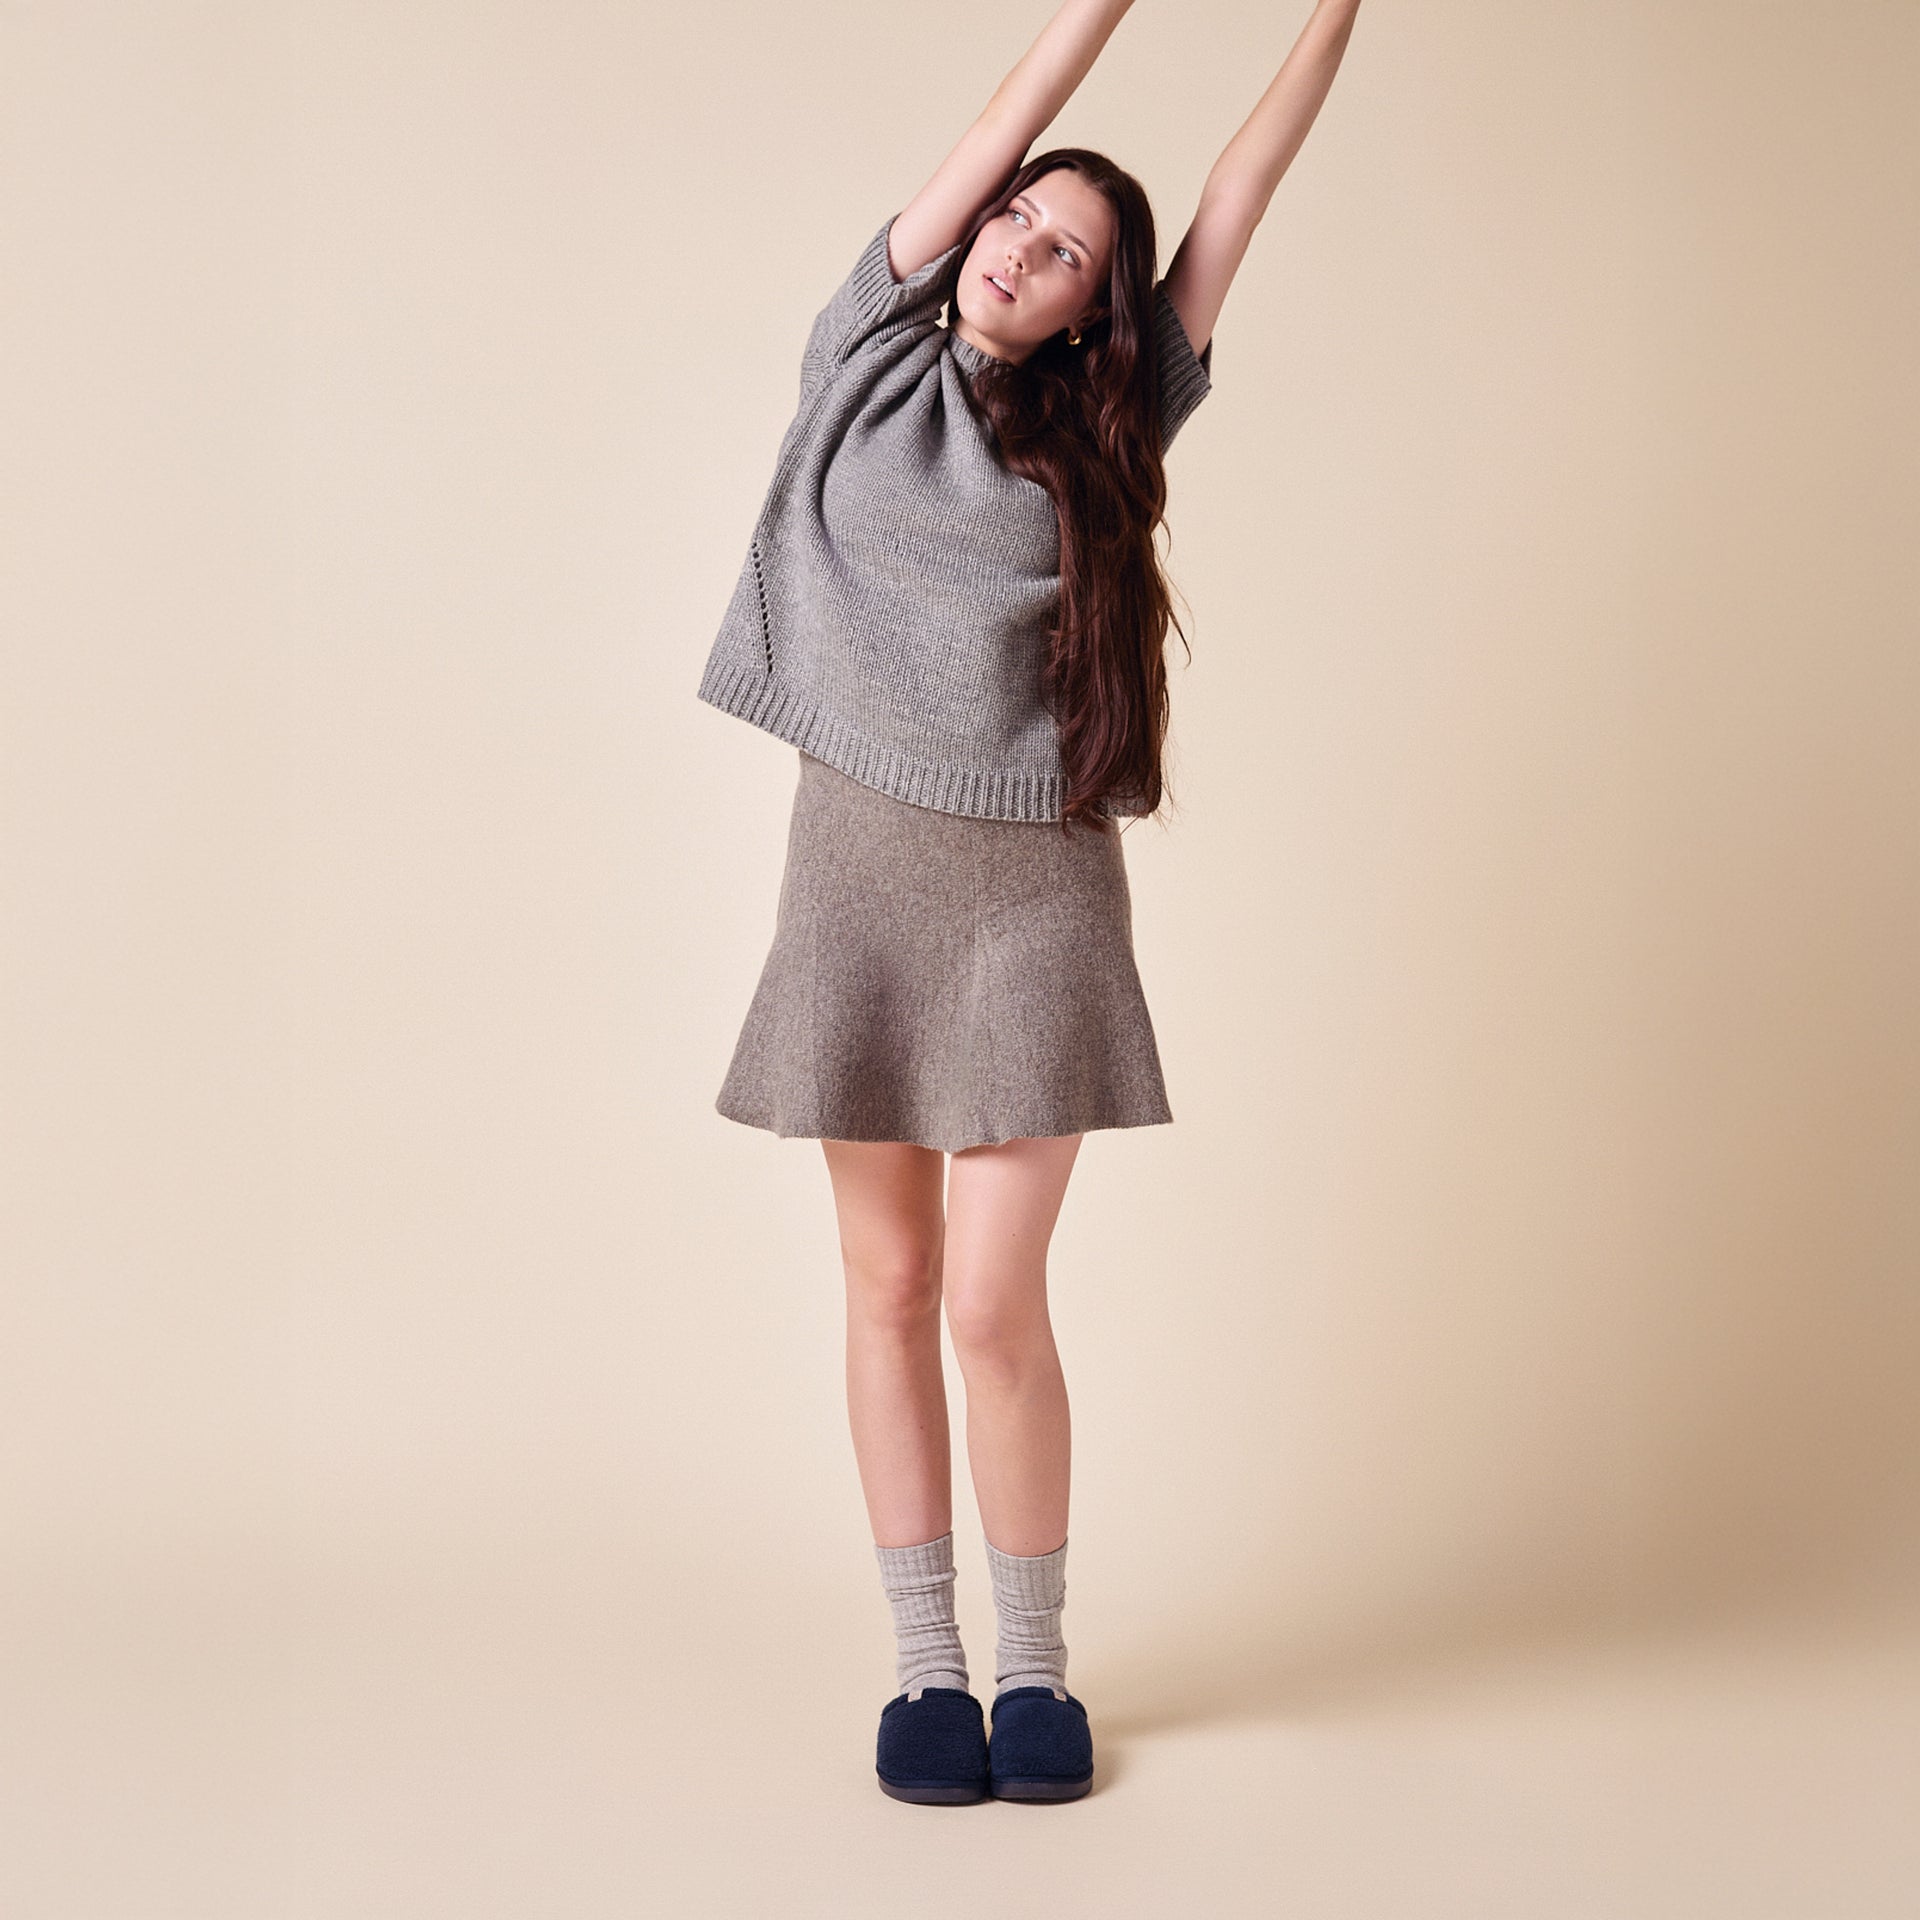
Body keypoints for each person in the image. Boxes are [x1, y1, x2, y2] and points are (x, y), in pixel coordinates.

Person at [694, 0, 1364, 1804]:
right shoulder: (862, 355)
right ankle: (927, 1676)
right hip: (855, 892)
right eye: (1011, 218)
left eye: (1065, 249)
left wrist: (1334, 14)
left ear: (1097, 310)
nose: (1017, 247)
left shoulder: (1117, 421)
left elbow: (1241, 185)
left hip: (1032, 911)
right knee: (889, 1282)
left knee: (995, 1304)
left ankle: (1037, 1675)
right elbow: (1007, 118)